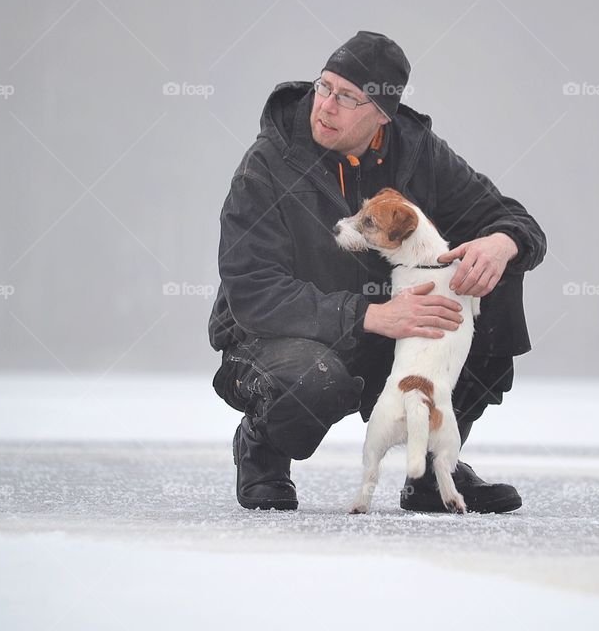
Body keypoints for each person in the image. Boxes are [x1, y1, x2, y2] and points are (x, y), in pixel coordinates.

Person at [209, 31, 546, 512]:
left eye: (347, 97)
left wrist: (502, 243)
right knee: (312, 380)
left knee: (494, 281)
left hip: (389, 333)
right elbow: (253, 290)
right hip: (275, 339)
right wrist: (370, 315)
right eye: (323, 87)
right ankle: (263, 447)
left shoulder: (417, 151)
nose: (325, 106)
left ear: (381, 116)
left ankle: (433, 470)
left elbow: (514, 220)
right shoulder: (266, 165)